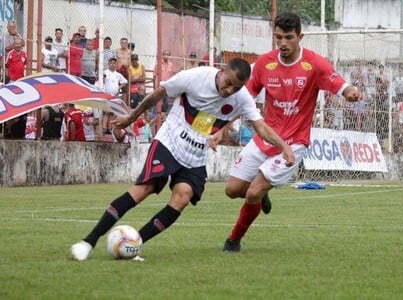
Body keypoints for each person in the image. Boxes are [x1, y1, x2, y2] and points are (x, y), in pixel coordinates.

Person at [70, 57, 294, 261]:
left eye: (236, 87)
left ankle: (134, 245)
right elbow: (160, 92)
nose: (229, 90)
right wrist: (132, 116)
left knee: (183, 196)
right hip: (170, 140)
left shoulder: (242, 98)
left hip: (196, 154)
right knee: (145, 189)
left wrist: (284, 146)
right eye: (228, 82)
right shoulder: (195, 77)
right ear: (222, 70)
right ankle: (89, 241)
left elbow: (261, 127)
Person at [222, 12, 361, 252]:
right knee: (232, 190)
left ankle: (233, 241)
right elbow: (245, 98)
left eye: (288, 37)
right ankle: (262, 194)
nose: (283, 43)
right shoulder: (265, 64)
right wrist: (223, 126)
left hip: (295, 142)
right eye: (278, 38)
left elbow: (338, 83)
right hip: (265, 137)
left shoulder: (314, 64)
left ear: (300, 37)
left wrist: (349, 92)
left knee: (252, 192)